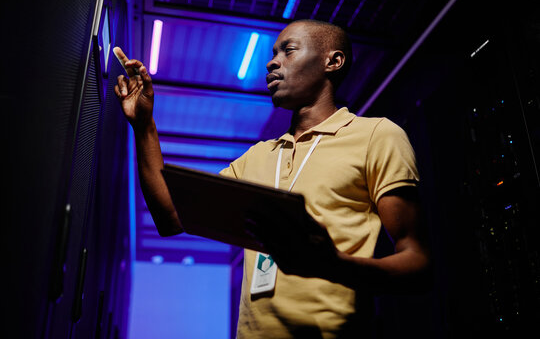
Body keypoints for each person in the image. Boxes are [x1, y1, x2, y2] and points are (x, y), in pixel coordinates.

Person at [114, 19, 430, 338]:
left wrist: (333, 265)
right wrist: (144, 126)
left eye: (288, 51)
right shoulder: (259, 156)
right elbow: (170, 217)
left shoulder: (376, 135)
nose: (272, 61)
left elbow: (417, 263)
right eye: (273, 53)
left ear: (333, 62)